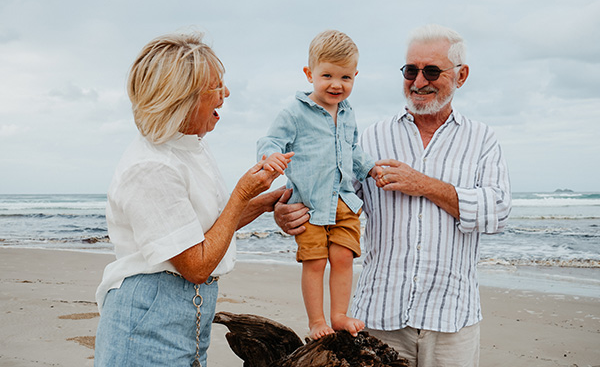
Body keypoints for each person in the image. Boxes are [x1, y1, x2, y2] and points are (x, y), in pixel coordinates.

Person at [274, 24, 511, 366]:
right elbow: (330, 193)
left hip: (452, 320)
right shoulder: (371, 136)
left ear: (461, 75)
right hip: (378, 318)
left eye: (431, 71)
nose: (418, 81)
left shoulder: (482, 139)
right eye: (410, 70)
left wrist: (424, 184)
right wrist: (287, 212)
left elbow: (497, 212)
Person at [94, 31, 292, 367]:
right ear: (181, 98)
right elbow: (197, 265)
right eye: (215, 87)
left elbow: (208, 230)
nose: (225, 94)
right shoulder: (150, 167)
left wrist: (270, 201)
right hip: (147, 320)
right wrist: (243, 191)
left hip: (186, 318)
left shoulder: (190, 147)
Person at [257, 29, 381, 340]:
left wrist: (370, 168)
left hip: (344, 201)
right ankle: (316, 322)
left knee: (343, 257)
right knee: (315, 262)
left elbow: (351, 149)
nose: (336, 84)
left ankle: (338, 315)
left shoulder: (348, 113)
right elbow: (270, 139)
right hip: (308, 204)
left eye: (346, 78)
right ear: (309, 73)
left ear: (355, 76)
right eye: (327, 75)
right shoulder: (295, 112)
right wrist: (271, 155)